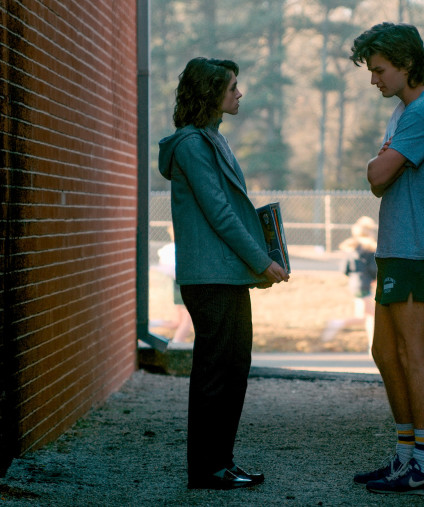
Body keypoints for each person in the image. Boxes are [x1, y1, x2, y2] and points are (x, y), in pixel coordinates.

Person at [349, 22, 424, 496]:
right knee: (384, 351)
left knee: (413, 354)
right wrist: (380, 166)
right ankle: (406, 457)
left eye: (379, 70)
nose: (374, 79)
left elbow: (377, 174)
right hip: (396, 248)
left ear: (405, 64)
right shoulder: (408, 111)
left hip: (416, 249)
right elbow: (381, 176)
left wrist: (379, 162)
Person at [158, 57, 289, 490]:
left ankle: (220, 461)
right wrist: (261, 260)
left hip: (225, 274)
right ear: (211, 92)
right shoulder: (193, 145)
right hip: (210, 276)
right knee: (218, 371)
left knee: (233, 368)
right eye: (232, 86)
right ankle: (207, 468)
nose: (239, 93)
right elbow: (220, 213)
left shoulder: (211, 139)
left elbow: (229, 210)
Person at [321, 216, 377, 351]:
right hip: (364, 284)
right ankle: (338, 323)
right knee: (367, 317)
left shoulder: (351, 247)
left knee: (369, 316)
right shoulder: (370, 248)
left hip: (354, 284)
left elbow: (344, 269)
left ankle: (372, 344)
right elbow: (373, 268)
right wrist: (374, 279)